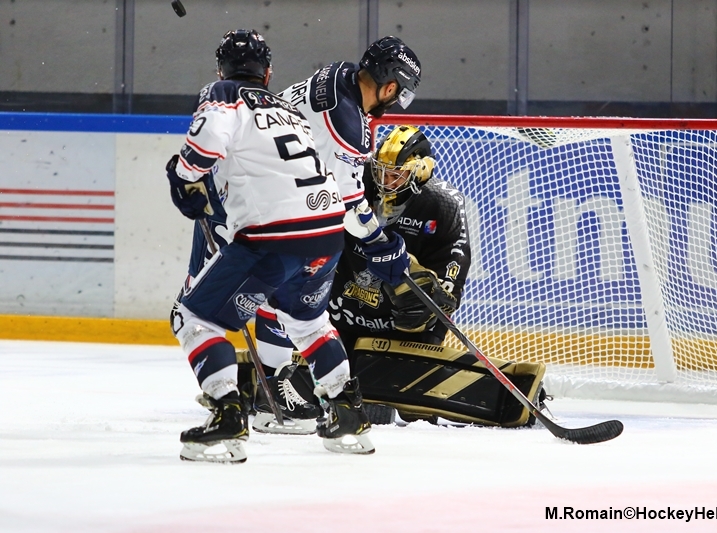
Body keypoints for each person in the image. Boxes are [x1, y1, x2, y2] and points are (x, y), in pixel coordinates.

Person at [167, 29, 374, 463]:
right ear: (269, 73)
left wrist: (183, 175)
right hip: (326, 232)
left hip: (272, 237)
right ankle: (347, 412)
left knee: (191, 316)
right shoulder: (288, 107)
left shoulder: (223, 93)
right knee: (308, 321)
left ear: (220, 69)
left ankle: (228, 414)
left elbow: (204, 147)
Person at [258, 125, 549, 428]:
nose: (385, 181)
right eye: (381, 171)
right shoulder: (356, 185)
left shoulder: (443, 204)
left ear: (421, 170)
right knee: (305, 377)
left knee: (415, 408)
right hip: (344, 315)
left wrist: (428, 297)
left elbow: (450, 285)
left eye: (396, 174)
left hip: (404, 328)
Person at [242, 36, 425, 434]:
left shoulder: (337, 73)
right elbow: (348, 206)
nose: (393, 104)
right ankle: (270, 398)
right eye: (397, 95)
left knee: (278, 290)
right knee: (298, 295)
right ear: (390, 86)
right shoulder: (347, 124)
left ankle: (266, 397)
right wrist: (383, 244)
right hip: (267, 202)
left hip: (254, 187)